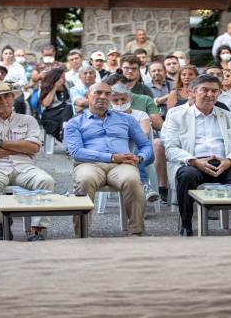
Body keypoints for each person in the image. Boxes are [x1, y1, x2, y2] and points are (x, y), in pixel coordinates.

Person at [163, 74, 231, 236]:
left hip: (224, 163)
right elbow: (170, 148)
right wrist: (194, 161)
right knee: (186, 176)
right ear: (193, 92)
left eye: (214, 91)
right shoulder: (178, 116)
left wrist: (230, 161)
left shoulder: (228, 116)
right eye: (204, 90)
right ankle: (186, 224)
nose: (210, 95)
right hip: (193, 163)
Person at [64, 82, 153, 236]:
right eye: (98, 93)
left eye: (107, 94)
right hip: (89, 164)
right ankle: (82, 234)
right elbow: (76, 152)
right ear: (88, 96)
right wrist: (111, 157)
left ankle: (136, 232)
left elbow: (146, 145)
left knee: (132, 179)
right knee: (84, 180)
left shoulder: (127, 119)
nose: (103, 97)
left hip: (122, 165)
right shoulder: (74, 123)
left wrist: (139, 158)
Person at [0, 81, 54, 241]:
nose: (3, 101)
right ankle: (3, 220)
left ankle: (38, 229)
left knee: (46, 181)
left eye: (6, 96)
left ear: (12, 98)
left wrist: (1, 143)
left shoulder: (28, 120)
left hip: (24, 167)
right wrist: (22, 147)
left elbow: (34, 148)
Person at [109, 83, 159, 202]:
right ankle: (145, 187)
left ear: (130, 99)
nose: (120, 103)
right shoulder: (108, 115)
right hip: (118, 155)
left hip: (143, 154)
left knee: (137, 149)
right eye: (116, 100)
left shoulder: (141, 114)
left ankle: (143, 188)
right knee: (131, 155)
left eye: (123, 99)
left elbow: (144, 135)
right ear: (110, 101)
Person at [39, 68, 73, 142]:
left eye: (64, 77)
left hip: (67, 113)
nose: (64, 79)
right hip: (52, 114)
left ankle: (64, 132)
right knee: (68, 108)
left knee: (69, 108)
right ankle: (64, 134)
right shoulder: (47, 86)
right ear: (55, 78)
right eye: (62, 77)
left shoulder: (68, 84)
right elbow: (46, 104)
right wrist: (54, 88)